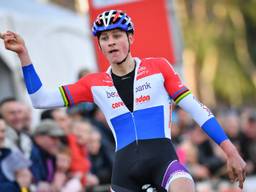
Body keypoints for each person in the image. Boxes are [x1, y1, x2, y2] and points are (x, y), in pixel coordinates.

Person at [0, 9, 246, 192]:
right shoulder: (93, 83)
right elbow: (40, 99)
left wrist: (230, 150)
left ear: (130, 39)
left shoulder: (158, 67)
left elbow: (196, 108)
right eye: (105, 39)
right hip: (125, 171)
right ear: (100, 45)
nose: (111, 42)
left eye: (117, 35)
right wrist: (24, 55)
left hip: (164, 160)